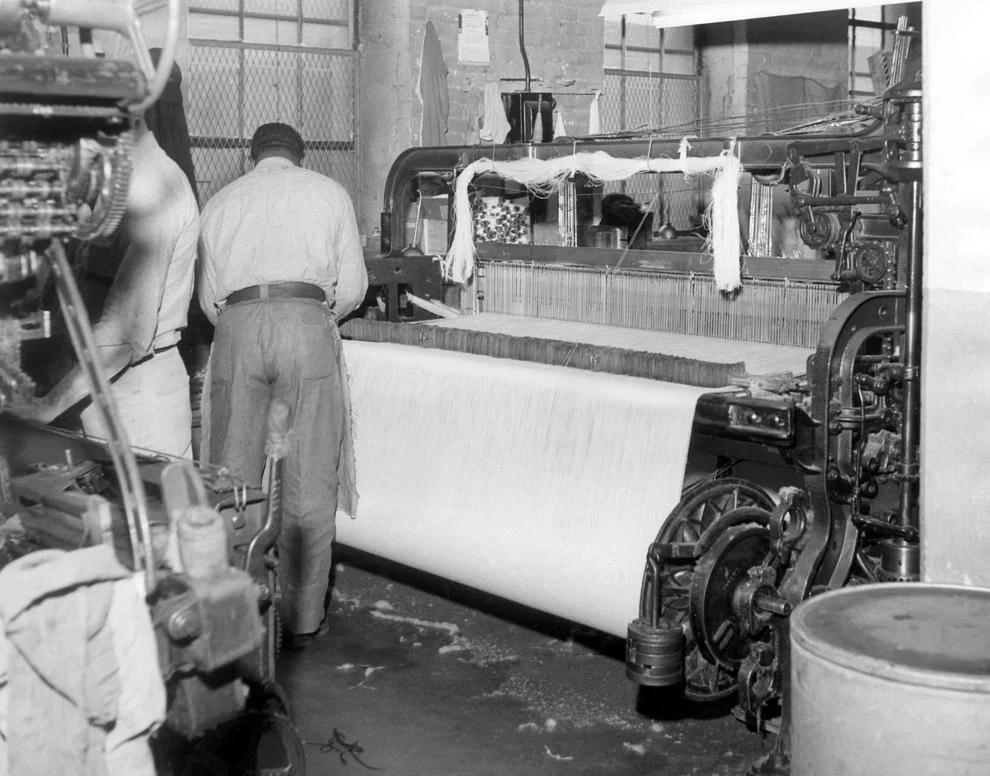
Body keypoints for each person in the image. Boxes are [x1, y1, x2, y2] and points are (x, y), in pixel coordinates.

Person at [197, 122, 368, 648]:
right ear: (300, 154)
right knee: (308, 475)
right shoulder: (329, 193)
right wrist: (311, 319)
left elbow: (207, 300)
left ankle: (236, 615)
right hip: (304, 324)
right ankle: (299, 621)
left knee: (233, 478)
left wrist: (246, 324)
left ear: (253, 157)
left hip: (238, 328)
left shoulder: (220, 202)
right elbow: (354, 288)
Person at [19, 117, 199, 458]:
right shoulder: (115, 185)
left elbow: (123, 334)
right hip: (93, 386)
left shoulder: (152, 188)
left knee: (151, 508)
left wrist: (44, 408)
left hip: (138, 397)